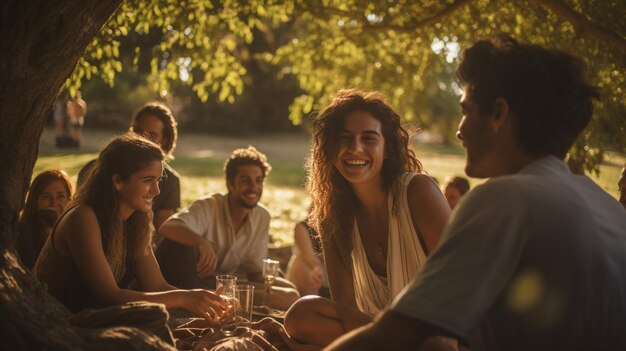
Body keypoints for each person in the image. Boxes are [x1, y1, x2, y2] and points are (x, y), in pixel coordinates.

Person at [325, 35, 626, 351]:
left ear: (498, 114)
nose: (459, 130)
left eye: (466, 110)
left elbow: (392, 335)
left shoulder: (506, 198)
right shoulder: (606, 206)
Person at [283, 89, 451, 349]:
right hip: (373, 331)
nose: (355, 148)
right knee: (299, 316)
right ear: (330, 148)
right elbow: (345, 308)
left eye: (369, 138)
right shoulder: (333, 216)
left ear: (387, 149)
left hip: (433, 331)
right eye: (345, 138)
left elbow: (460, 283)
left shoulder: (418, 191)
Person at [34, 133, 230, 321]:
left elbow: (156, 286)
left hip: (99, 318)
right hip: (56, 323)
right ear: (118, 181)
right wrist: (184, 299)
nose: (156, 190)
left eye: (158, 180)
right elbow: (109, 295)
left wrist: (207, 300)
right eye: (147, 180)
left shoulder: (136, 221)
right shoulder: (83, 217)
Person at [156, 146, 300, 310]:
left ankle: (224, 301)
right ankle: (207, 302)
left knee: (291, 296)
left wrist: (286, 286)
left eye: (258, 181)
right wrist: (201, 242)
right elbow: (167, 226)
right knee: (286, 296)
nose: (254, 187)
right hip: (190, 283)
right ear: (230, 184)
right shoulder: (210, 206)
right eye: (245, 180)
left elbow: (255, 272)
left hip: (227, 287)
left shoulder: (262, 216)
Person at [78, 102, 181, 238]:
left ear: (165, 141)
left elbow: (160, 233)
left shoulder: (170, 182)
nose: (142, 139)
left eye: (152, 135)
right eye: (138, 132)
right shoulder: (93, 170)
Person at [18, 170, 73, 269]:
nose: (54, 203)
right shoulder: (25, 231)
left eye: (60, 196)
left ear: (69, 200)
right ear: (35, 201)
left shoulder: (75, 227)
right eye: (46, 197)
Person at [285, 219, 328, 296]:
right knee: (302, 264)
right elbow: (309, 258)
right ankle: (311, 302)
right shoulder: (302, 227)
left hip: (327, 272)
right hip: (312, 271)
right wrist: (318, 269)